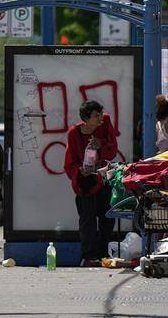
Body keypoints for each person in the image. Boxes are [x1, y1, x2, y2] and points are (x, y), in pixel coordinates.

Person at [63, 99, 119, 267]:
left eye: (100, 114)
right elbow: (69, 162)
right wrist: (80, 170)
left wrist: (100, 145)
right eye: (96, 116)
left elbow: (113, 150)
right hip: (85, 183)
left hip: (103, 179)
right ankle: (89, 256)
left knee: (107, 218)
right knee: (87, 220)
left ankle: (103, 253)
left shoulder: (105, 123)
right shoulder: (74, 133)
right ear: (85, 119)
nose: (100, 118)